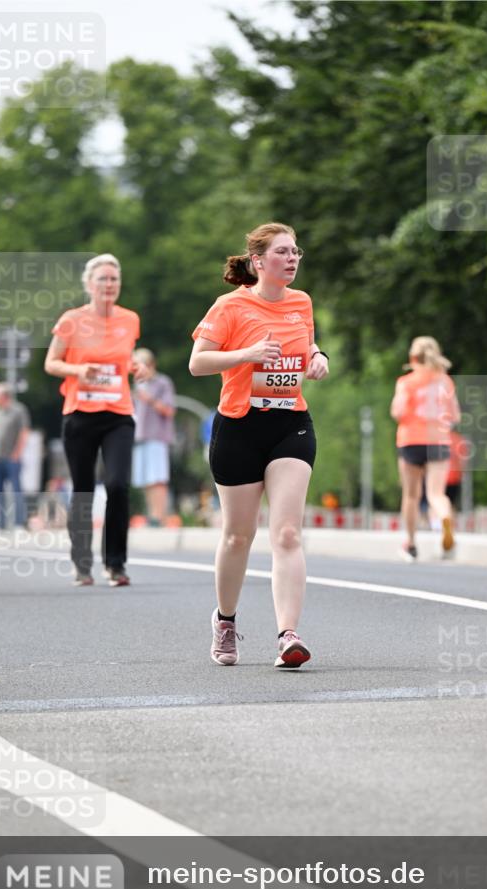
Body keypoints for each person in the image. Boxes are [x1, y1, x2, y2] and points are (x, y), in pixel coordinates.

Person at [189, 222, 329, 668]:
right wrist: (245, 356)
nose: (292, 259)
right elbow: (197, 362)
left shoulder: (302, 302)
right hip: (239, 427)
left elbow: (306, 345)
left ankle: (288, 635)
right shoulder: (230, 307)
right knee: (238, 536)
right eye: (283, 252)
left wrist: (318, 357)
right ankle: (225, 621)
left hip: (290, 424)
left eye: (296, 252)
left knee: (287, 532)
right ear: (258, 261)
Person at [44, 253, 148, 587]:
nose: (109, 285)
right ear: (89, 284)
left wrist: (136, 366)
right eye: (102, 279)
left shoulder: (129, 319)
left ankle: (116, 564)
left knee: (118, 485)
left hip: (117, 414)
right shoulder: (72, 320)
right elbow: (52, 362)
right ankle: (82, 564)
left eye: (114, 279)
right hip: (80, 414)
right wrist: (78, 370)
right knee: (84, 489)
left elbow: (122, 357)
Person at [390, 336, 461, 561]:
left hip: (411, 440)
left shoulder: (406, 382)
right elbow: (456, 415)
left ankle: (410, 543)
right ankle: (444, 519)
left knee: (411, 495)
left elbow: (398, 412)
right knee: (436, 494)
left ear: (412, 358)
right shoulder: (445, 382)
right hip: (439, 440)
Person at [131, 348, 177, 526]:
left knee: (157, 479)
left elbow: (169, 410)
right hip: (140, 436)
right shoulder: (138, 384)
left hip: (157, 436)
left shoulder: (162, 382)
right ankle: (152, 515)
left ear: (151, 365)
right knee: (146, 480)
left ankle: (159, 516)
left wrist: (148, 399)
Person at [0, 384, 30, 530]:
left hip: (12, 458)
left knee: (16, 490)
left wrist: (17, 453)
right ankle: (1, 523)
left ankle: (19, 523)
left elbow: (24, 432)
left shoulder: (19, 410)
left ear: (4, 396)